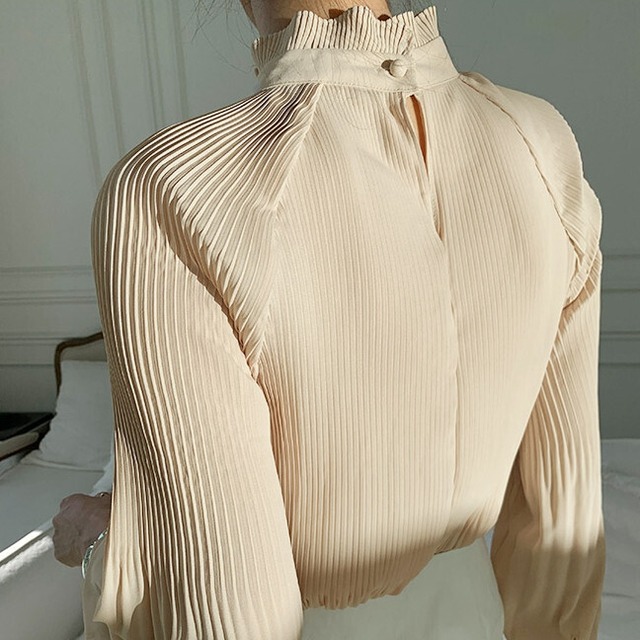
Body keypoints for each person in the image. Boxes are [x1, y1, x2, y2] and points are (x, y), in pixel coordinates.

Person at [53, 1, 606, 638]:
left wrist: (106, 543)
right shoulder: (540, 143)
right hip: (476, 614)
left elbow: (227, 609)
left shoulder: (171, 190)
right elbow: (562, 528)